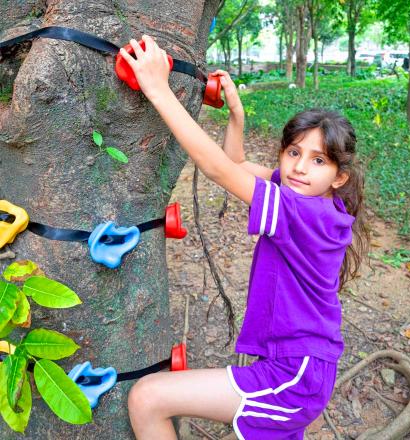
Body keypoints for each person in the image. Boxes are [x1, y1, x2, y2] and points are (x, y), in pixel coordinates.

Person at [119, 35, 368, 440]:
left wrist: (158, 89)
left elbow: (219, 171)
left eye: (318, 160)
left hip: (294, 373)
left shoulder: (303, 211)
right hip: (300, 366)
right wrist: (236, 114)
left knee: (147, 397)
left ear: (339, 177)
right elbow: (236, 162)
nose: (300, 167)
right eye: (293, 153)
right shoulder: (305, 198)